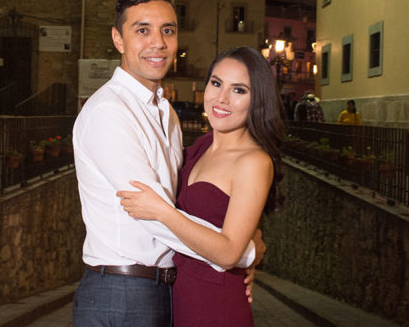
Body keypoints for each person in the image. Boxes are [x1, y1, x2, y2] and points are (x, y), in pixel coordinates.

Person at [72, 0, 262, 326]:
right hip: (121, 289)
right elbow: (153, 213)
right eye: (142, 30)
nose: (158, 42)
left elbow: (181, 204)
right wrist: (241, 252)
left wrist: (241, 239)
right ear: (118, 39)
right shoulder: (109, 112)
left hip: (163, 288)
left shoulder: (166, 113)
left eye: (168, 31)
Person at [118, 46, 284, 327]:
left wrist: (163, 212)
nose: (221, 98)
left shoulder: (253, 161)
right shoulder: (201, 147)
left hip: (217, 307)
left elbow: (229, 253)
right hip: (179, 298)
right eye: (216, 83)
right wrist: (251, 249)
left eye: (239, 90)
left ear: (258, 100)